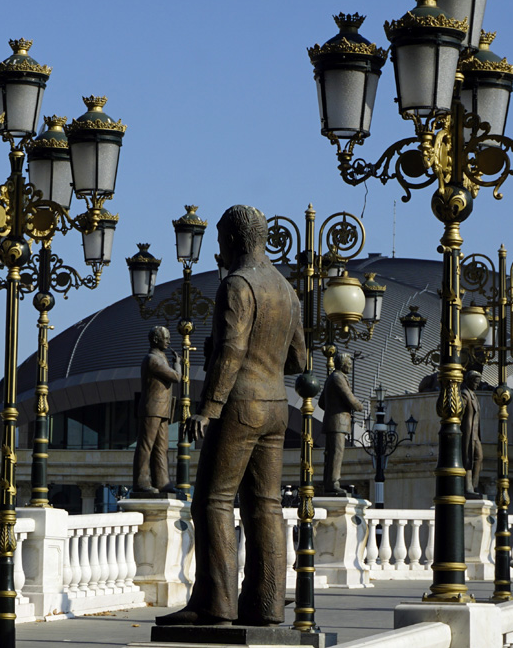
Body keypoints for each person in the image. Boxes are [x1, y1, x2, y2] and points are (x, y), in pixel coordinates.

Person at [158, 205, 305, 627]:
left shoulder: (237, 285)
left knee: (213, 501)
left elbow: (233, 352)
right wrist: (268, 360)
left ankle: (215, 604)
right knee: (266, 505)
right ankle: (266, 605)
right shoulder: (285, 290)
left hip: (240, 406)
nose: (217, 250)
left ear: (234, 239)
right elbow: (299, 359)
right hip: (277, 407)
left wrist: (209, 408)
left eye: (220, 240)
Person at [133, 326, 181, 493]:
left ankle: (162, 482)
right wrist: (178, 364)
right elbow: (175, 377)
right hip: (151, 408)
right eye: (165, 337)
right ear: (155, 340)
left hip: (162, 409)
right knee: (146, 446)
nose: (168, 341)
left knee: (162, 448)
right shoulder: (153, 359)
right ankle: (141, 482)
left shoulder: (161, 358)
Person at [320, 353, 363, 495]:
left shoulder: (331, 378)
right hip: (338, 422)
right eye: (349, 363)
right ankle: (333, 483)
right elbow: (349, 398)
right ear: (342, 364)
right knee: (337, 452)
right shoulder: (338, 377)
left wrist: (332, 406)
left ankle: (329, 483)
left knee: (331, 452)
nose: (350, 366)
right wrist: (359, 406)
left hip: (333, 421)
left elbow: (321, 402)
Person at [460, 370, 483, 497]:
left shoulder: (474, 395)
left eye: (478, 382)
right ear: (469, 381)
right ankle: (468, 488)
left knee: (478, 458)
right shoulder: (465, 394)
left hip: (475, 435)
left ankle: (474, 486)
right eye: (475, 382)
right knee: (467, 459)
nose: (477, 385)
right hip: (468, 434)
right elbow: (460, 413)